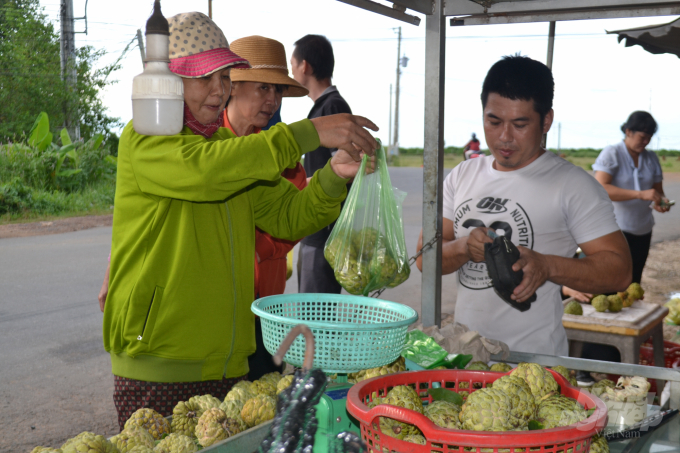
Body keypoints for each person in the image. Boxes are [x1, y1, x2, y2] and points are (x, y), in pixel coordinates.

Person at [102, 12, 378, 429]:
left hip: (228, 364)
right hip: (159, 363)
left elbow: (288, 216)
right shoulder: (144, 139)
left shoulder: (230, 148)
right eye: (204, 78)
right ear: (169, 81)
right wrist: (307, 132)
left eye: (226, 76)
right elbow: (204, 172)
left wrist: (333, 177)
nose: (219, 90)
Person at [415, 55, 632, 357]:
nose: (504, 137)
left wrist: (547, 265)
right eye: (493, 121)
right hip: (468, 356)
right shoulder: (463, 174)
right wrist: (464, 247)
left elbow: (619, 271)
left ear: (546, 120)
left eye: (520, 124)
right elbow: (426, 259)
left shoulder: (572, 184)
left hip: (535, 363)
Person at [225, 35, 309, 379]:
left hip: (266, 302)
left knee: (264, 391)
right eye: (263, 88)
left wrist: (259, 247)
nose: (272, 100)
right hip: (217, 305)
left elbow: (298, 217)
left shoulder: (282, 152)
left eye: (279, 91)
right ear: (232, 85)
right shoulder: (203, 145)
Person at [290, 34, 352, 294]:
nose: (292, 72)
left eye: (292, 65)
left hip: (325, 232)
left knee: (315, 314)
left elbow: (348, 168)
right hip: (317, 228)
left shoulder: (332, 107)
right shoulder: (323, 107)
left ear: (305, 66)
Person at [592, 111, 671, 285]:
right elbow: (601, 188)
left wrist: (661, 203)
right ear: (628, 131)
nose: (645, 142)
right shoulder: (612, 153)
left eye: (649, 138)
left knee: (633, 282)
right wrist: (640, 194)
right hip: (615, 231)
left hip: (643, 230)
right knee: (610, 281)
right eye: (642, 137)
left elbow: (658, 192)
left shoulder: (651, 158)